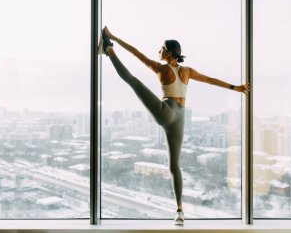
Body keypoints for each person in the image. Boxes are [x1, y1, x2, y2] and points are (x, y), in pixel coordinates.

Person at [98, 26, 252, 225]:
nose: (158, 51)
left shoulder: (161, 69)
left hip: (167, 111)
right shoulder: (187, 71)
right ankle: (179, 211)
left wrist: (113, 37)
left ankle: (108, 50)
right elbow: (210, 80)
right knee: (174, 166)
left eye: (161, 48)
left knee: (134, 82)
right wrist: (236, 88)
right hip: (180, 119)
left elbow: (136, 52)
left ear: (169, 52)